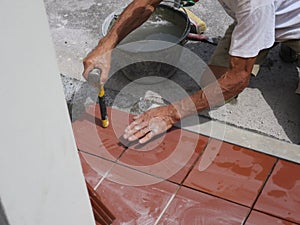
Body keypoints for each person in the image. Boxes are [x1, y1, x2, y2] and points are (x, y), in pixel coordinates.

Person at [82, 0, 300, 144]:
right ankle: (267, 39)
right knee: (210, 86)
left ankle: (287, 44)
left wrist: (171, 113)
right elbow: (147, 3)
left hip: (281, 21)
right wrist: (106, 45)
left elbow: (237, 78)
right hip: (263, 18)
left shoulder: (254, 5)